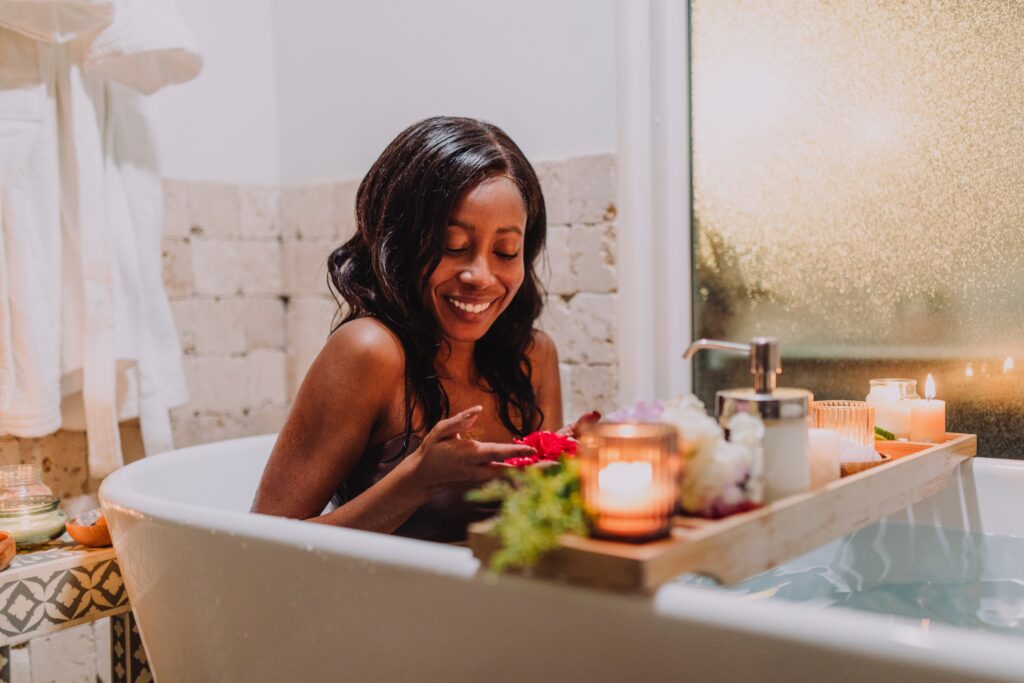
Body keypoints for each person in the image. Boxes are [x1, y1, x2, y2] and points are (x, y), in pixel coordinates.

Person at [252, 116, 596, 543]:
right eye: (454, 246)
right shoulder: (369, 352)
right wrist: (417, 481)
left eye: (506, 251)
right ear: (402, 244)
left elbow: (533, 531)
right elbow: (260, 546)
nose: (481, 276)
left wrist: (569, 478)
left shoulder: (532, 356)